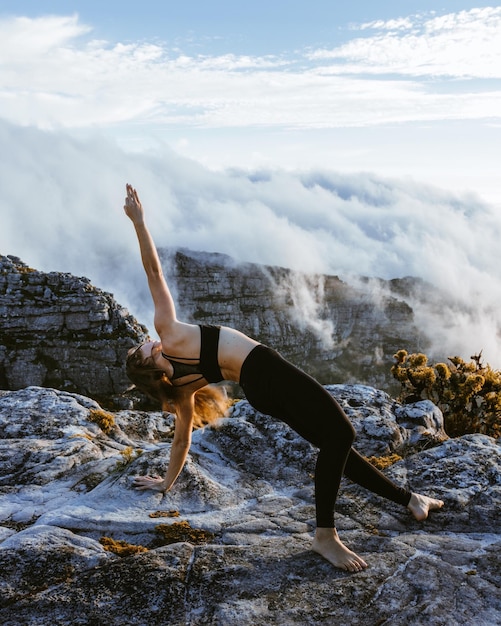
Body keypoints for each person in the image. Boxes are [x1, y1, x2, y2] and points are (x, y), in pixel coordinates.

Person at [123, 184, 444, 573]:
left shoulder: (182, 388)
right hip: (266, 370)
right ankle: (325, 536)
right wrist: (140, 222)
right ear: (148, 363)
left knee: (336, 446)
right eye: (140, 349)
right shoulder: (168, 333)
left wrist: (166, 484)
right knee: (342, 434)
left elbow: (182, 439)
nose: (145, 341)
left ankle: (410, 500)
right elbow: (153, 271)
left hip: (260, 391)